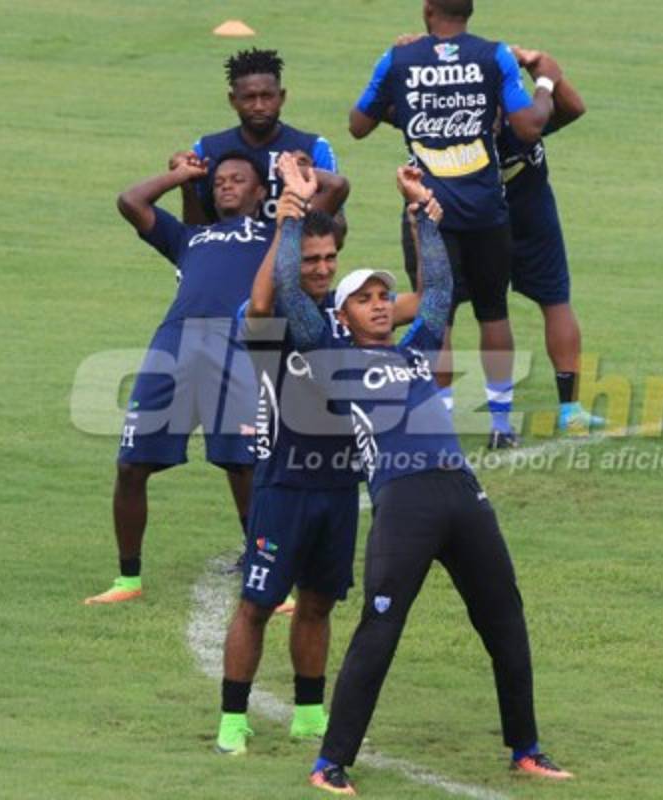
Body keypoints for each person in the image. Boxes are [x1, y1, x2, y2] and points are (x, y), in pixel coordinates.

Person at [273, 166, 572, 794]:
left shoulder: (412, 353)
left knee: (505, 621)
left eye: (384, 295)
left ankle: (527, 749)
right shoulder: (325, 354)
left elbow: (437, 291)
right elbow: (290, 296)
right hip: (404, 502)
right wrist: (295, 217)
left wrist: (424, 217)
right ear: (342, 312)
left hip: (463, 494)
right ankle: (330, 764)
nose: (381, 304)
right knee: (381, 628)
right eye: (365, 297)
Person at [216, 155, 418, 754]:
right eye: (312, 261)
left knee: (319, 604)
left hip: (338, 489)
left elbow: (424, 302)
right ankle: (232, 717)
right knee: (257, 603)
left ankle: (308, 711)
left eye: (330, 259)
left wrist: (420, 214)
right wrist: (288, 215)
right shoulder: (275, 314)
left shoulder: (349, 311)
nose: (324, 269)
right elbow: (257, 304)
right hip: (283, 486)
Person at [348, 0, 561, 448]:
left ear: (427, 10)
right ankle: (501, 426)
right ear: (470, 11)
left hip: (428, 210)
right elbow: (528, 126)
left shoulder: (399, 58)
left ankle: (441, 425)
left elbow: (358, 123)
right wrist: (545, 80)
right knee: (493, 312)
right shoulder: (494, 55)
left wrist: (405, 100)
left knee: (435, 315)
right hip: (486, 210)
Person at [83, 152, 271, 605]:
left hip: (236, 345)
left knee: (244, 465)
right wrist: (182, 177)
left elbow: (334, 192)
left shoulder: (275, 234)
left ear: (260, 192)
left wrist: (295, 179)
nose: (227, 185)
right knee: (130, 465)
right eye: (220, 180)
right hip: (174, 345)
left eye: (239, 179)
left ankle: (266, 574)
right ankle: (128, 579)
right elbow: (130, 201)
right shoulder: (190, 237)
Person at [497, 46, 602, 434]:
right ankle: (569, 409)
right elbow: (571, 108)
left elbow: (574, 109)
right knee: (553, 301)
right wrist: (543, 70)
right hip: (527, 218)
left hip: (487, 220)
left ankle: (472, 411)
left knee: (472, 310)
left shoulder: (458, 126)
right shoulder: (523, 121)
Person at [186, 48, 348, 245]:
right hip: (226, 262)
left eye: (267, 96)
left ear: (282, 97)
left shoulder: (313, 147)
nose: (259, 106)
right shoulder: (207, 149)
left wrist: (305, 179)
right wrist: (184, 181)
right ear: (232, 100)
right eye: (249, 97)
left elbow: (337, 235)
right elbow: (194, 234)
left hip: (287, 266)